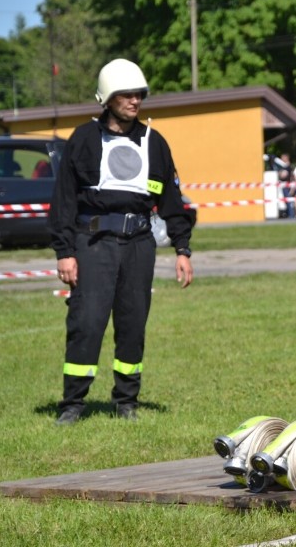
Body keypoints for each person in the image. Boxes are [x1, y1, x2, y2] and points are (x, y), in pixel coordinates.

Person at [48, 58, 194, 426]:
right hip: (92, 243)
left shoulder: (154, 143)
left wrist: (182, 249)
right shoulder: (83, 140)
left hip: (139, 244)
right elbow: (63, 200)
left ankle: (126, 400)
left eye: (139, 95)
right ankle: (73, 404)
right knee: (87, 321)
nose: (135, 101)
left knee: (132, 322)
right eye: (126, 94)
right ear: (108, 98)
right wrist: (65, 252)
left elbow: (173, 203)